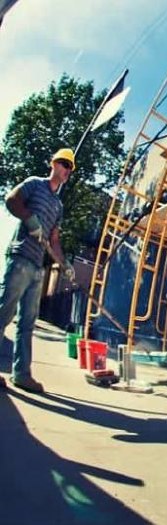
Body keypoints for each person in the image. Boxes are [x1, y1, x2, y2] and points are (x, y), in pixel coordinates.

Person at [0, 148, 75, 393]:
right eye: (63, 163)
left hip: (37, 267)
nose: (66, 169)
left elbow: (54, 240)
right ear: (53, 163)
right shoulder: (34, 184)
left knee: (27, 323)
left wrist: (64, 264)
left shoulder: (58, 205)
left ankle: (21, 374)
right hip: (21, 257)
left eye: (70, 167)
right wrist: (30, 219)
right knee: (4, 313)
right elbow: (12, 200)